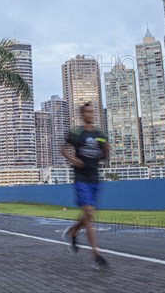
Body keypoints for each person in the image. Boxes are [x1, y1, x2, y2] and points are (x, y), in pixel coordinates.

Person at [61, 102, 110, 270]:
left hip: (94, 178)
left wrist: (106, 151)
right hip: (81, 178)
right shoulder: (76, 133)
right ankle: (97, 256)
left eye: (92, 111)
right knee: (89, 214)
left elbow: (103, 155)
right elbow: (63, 148)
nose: (91, 114)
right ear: (82, 114)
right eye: (87, 111)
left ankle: (73, 231)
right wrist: (72, 159)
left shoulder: (100, 134)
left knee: (88, 216)